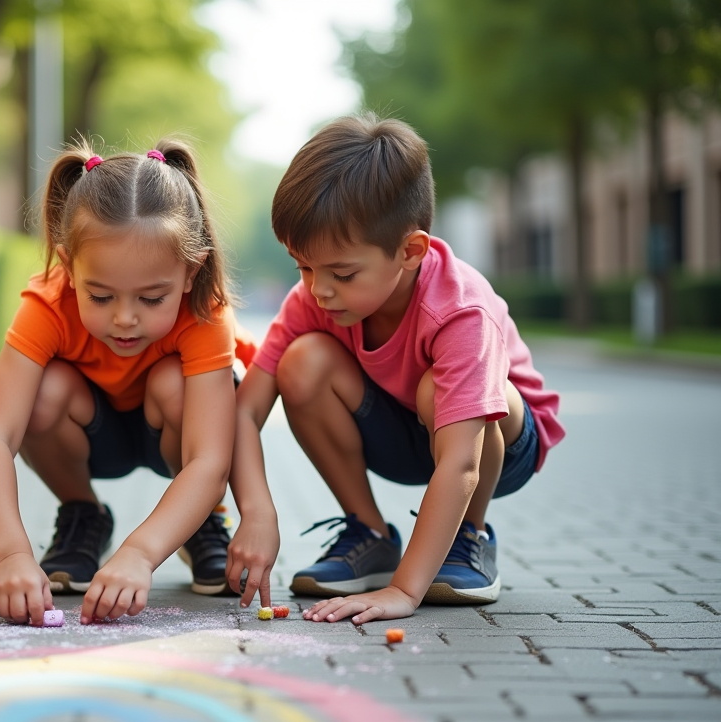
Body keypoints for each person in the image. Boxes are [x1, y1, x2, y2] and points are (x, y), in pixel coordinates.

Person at [226, 114, 564, 623]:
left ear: (409, 252)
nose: (318, 289)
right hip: (399, 433)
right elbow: (244, 412)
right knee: (302, 362)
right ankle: (370, 534)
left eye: (342, 273)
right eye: (304, 266)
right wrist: (256, 512)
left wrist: (404, 592)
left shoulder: (460, 310)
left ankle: (465, 538)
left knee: (438, 390)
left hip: (492, 446)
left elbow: (461, 464)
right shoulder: (316, 298)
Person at [0, 139, 245, 627]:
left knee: (175, 384)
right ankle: (83, 515)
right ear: (70, 266)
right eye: (99, 296)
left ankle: (197, 522)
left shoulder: (206, 311)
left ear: (190, 272)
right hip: (92, 433)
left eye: (151, 298)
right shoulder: (46, 306)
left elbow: (209, 460)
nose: (124, 319)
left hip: (174, 437)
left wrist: (140, 554)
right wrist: (11, 554)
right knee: (43, 392)